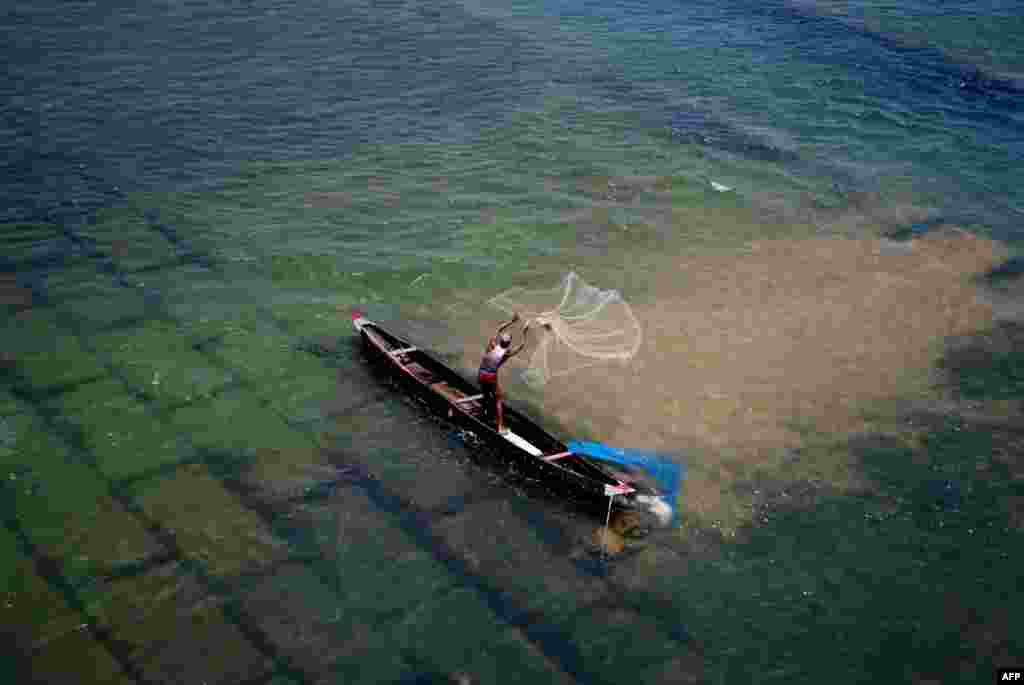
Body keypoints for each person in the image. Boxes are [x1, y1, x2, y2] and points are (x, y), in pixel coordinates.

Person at [478, 312, 529, 434]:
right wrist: (525, 332)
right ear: (509, 344)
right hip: (491, 377)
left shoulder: (492, 344)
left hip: (481, 374)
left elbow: (499, 329)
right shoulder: (506, 354)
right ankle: (500, 427)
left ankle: (484, 412)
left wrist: (512, 321)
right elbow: (521, 346)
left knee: (486, 395)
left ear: (499, 340)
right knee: (498, 400)